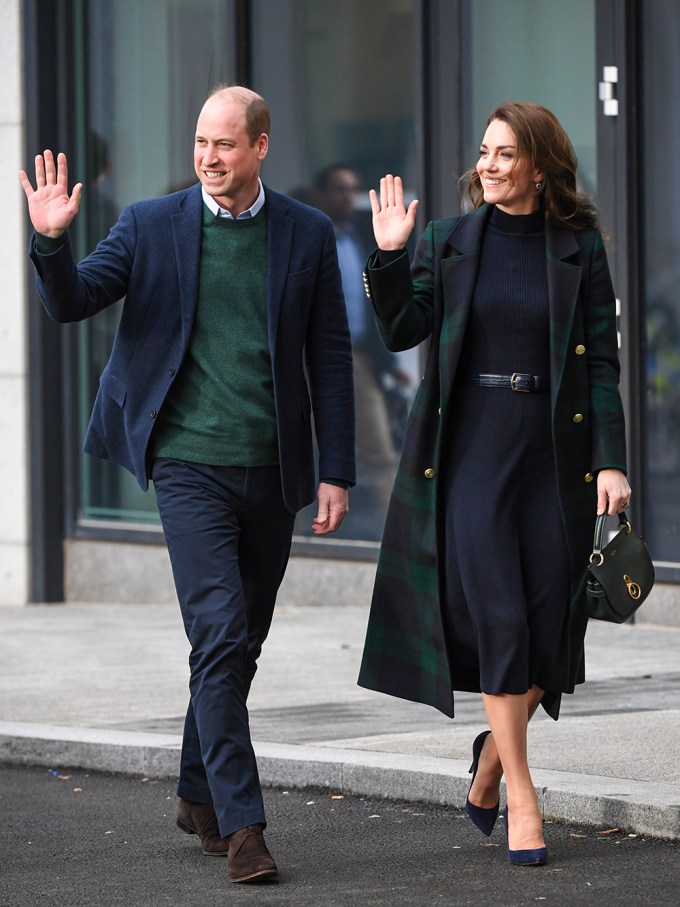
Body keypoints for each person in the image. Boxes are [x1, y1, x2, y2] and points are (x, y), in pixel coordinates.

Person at [19, 85, 355, 884]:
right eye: (201, 142)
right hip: (187, 464)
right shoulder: (150, 224)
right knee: (220, 632)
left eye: (225, 144)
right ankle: (244, 827)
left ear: (261, 146)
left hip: (272, 468)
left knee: (239, 643)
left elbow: (330, 356)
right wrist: (51, 242)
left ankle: (196, 791)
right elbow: (73, 302)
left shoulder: (305, 232)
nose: (208, 157)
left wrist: (336, 469)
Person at [357, 102, 630, 866]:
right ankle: (524, 796)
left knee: (550, 625)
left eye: (506, 153)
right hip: (472, 451)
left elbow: (602, 363)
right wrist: (389, 256)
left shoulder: (578, 247)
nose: (489, 164)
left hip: (554, 455)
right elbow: (402, 329)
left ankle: (488, 762)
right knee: (502, 620)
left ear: (540, 166)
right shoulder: (448, 241)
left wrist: (611, 458)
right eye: (485, 151)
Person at [312, 164, 410, 518]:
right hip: (305, 357)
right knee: (299, 451)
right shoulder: (308, 236)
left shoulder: (361, 237)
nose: (347, 197)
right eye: (339, 189)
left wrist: (387, 362)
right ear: (320, 193)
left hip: (355, 357)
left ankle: (395, 528)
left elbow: (374, 305)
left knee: (378, 446)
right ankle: (295, 531)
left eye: (351, 189)